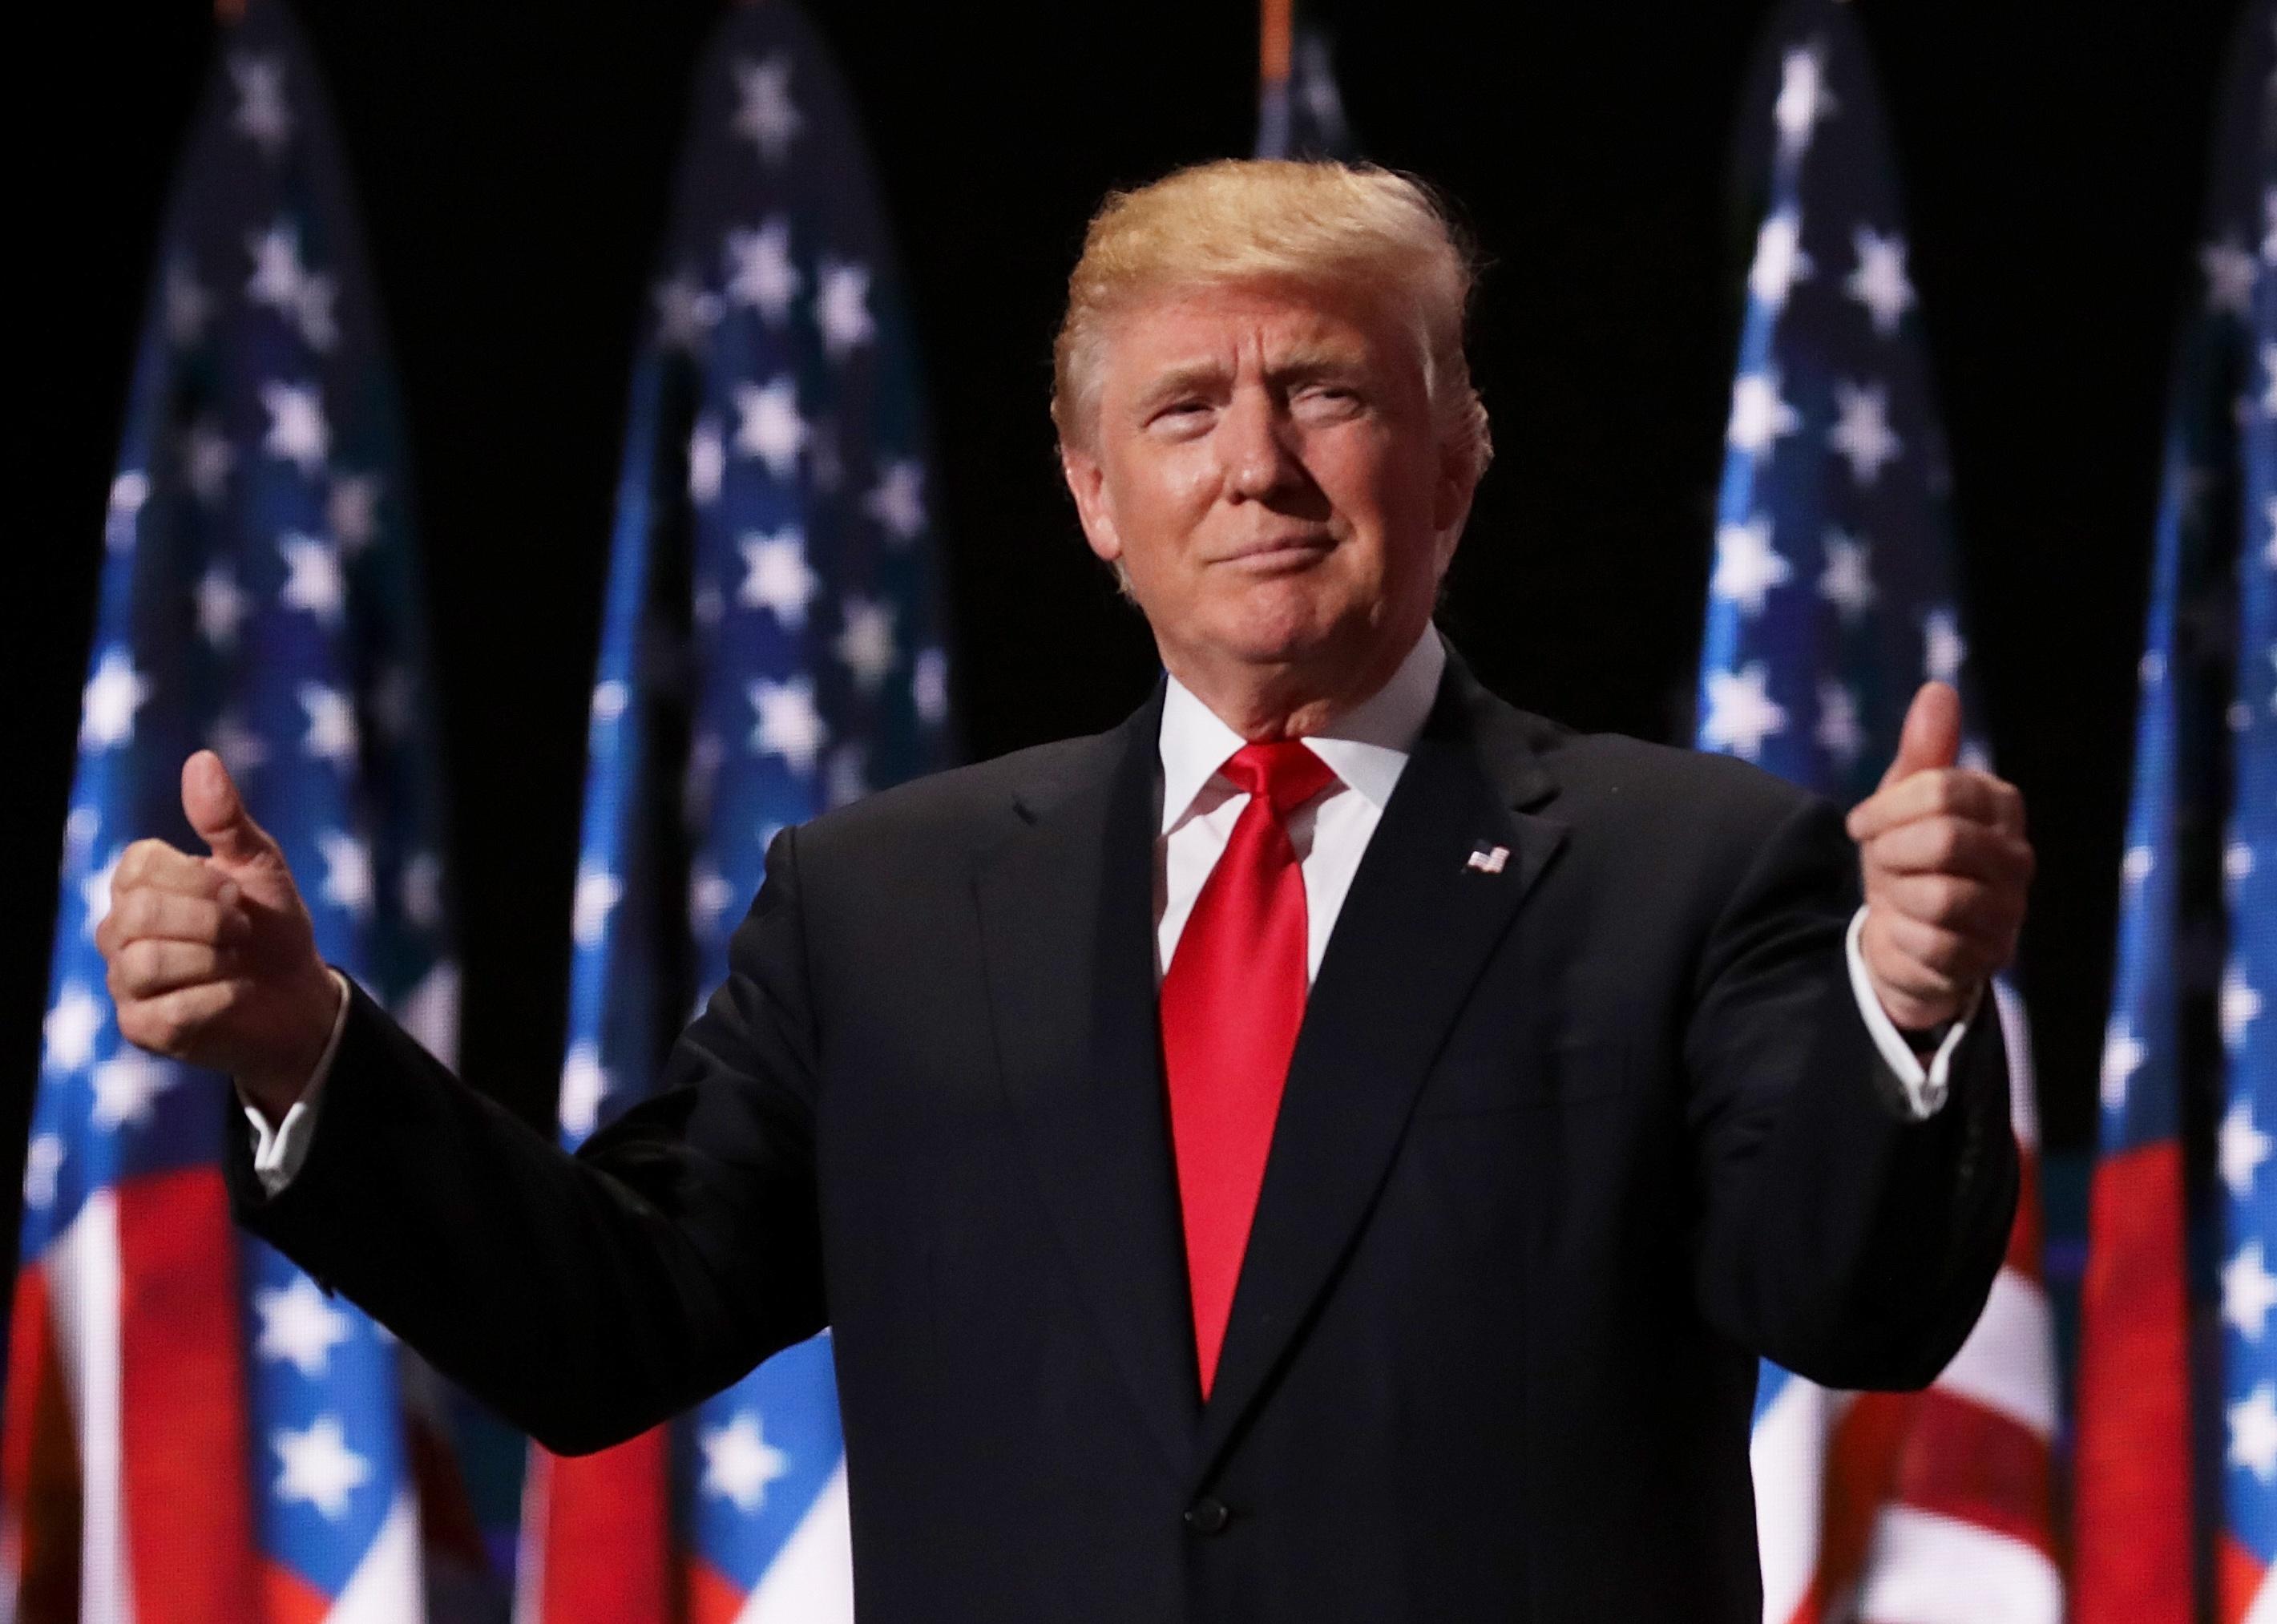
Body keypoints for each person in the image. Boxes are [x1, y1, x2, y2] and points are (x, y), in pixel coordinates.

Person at [96, 160, 2031, 1622]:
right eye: (1187, 409)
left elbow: (1844, 1300)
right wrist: (304, 1054)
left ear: (1454, 460)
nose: (1257, 465)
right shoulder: (882, 902)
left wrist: (1906, 1009)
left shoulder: (1684, 864)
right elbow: (608, 1323)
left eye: (1328, 393)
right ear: (1096, 493)